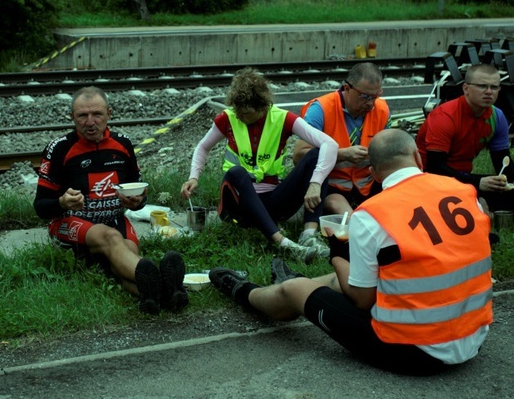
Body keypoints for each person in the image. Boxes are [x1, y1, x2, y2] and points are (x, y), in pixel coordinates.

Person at [210, 129, 492, 375]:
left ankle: (243, 290)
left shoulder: (373, 214)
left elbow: (361, 299)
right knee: (339, 281)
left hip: (415, 351)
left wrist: (336, 255)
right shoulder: (463, 191)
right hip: (473, 336)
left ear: (373, 174)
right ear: (417, 157)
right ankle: (294, 286)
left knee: (294, 290)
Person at [34, 86, 187, 315]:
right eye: (82, 116)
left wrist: (137, 202)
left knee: (124, 258)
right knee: (111, 236)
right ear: (72, 118)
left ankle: (159, 295)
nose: (90, 122)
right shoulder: (59, 149)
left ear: (109, 114)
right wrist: (62, 202)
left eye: (97, 114)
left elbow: (139, 194)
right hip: (70, 222)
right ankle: (169, 283)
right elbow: (40, 207)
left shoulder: (123, 145)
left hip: (115, 218)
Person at [180, 68, 338, 264]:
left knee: (314, 155)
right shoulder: (228, 118)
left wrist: (315, 182)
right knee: (236, 172)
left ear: (263, 107)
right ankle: (284, 244)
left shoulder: (282, 118)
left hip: (272, 202)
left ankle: (309, 235)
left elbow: (330, 144)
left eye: (246, 113)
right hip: (237, 208)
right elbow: (202, 147)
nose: (240, 117)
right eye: (237, 111)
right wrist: (194, 176)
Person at [293, 62, 391, 217]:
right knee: (344, 211)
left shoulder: (381, 110)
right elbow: (299, 156)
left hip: (367, 183)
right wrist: (343, 154)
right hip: (331, 184)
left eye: (376, 96)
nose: (371, 104)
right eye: (365, 97)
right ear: (347, 88)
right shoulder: (322, 109)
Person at [416, 62, 513, 215]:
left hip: (464, 178)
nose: (489, 92)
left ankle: (479, 204)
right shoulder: (445, 116)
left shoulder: (497, 116)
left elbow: (504, 163)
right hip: (429, 179)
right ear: (466, 88)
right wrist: (478, 182)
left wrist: (504, 182)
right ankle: (478, 206)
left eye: (494, 87)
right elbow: (435, 168)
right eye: (482, 86)